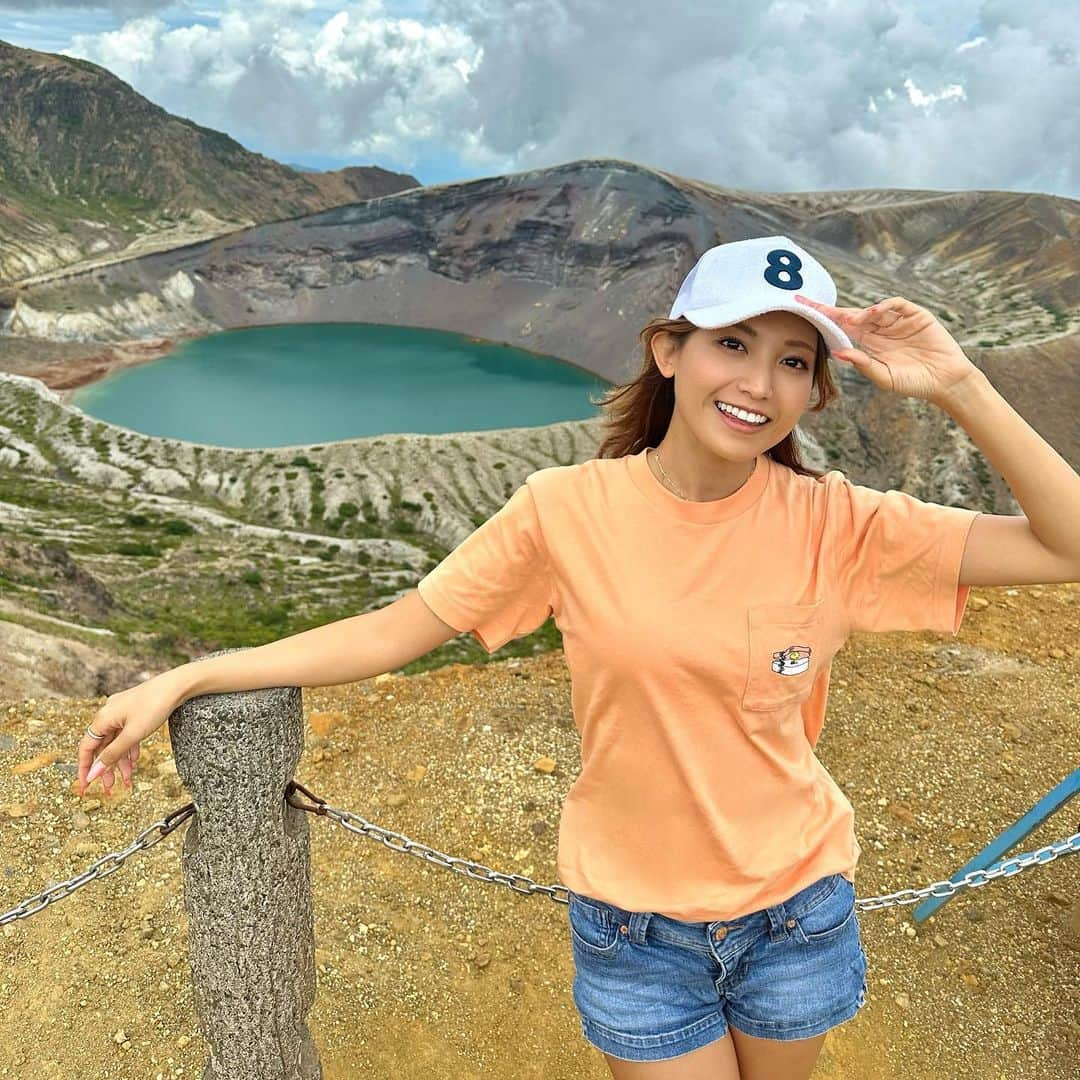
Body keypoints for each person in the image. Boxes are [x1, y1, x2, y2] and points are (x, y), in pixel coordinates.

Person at [77, 234, 1080, 1080]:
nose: (759, 382)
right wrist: (190, 674)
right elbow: (397, 629)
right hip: (638, 928)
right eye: (734, 343)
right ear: (669, 350)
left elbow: (1065, 547)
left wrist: (961, 386)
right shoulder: (566, 511)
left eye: (792, 362)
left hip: (797, 910)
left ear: (815, 390)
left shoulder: (839, 522)